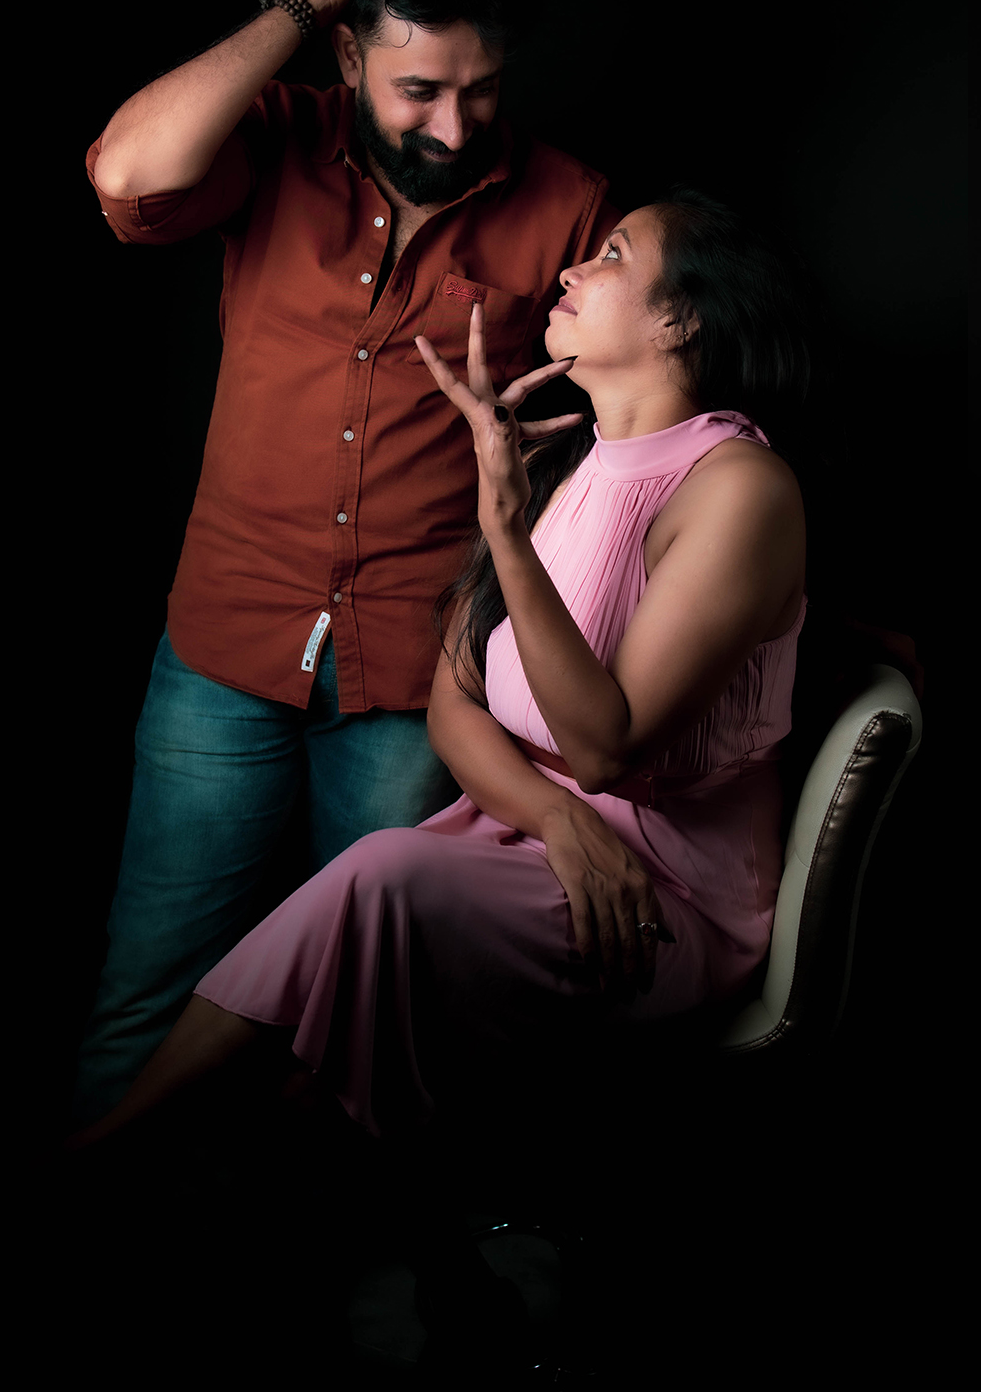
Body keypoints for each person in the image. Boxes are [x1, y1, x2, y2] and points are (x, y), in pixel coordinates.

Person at [70, 186, 810, 1156]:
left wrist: (503, 527)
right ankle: (144, 1162)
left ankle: (111, 1159)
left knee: (381, 882)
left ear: (682, 320)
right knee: (347, 972)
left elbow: (603, 747)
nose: (572, 269)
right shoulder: (563, 457)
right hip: (531, 837)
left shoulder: (739, 486)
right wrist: (555, 819)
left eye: (614, 256)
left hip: (655, 896)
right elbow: (455, 704)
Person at [75, 0, 618, 1124]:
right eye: (418, 88)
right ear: (347, 53)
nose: (454, 126)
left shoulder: (571, 205)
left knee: (369, 1013)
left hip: (417, 686)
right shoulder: (273, 135)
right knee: (147, 993)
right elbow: (125, 176)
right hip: (221, 651)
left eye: (481, 90)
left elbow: (638, 437)